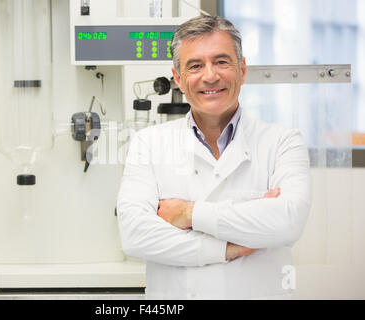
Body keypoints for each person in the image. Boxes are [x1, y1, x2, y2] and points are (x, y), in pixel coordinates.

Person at [116, 15, 311, 299]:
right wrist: (228, 247)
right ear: (179, 79)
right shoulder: (148, 143)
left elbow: (288, 222)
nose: (210, 76)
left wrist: (188, 213)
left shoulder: (283, 142)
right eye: (195, 65)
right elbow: (134, 236)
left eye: (222, 62)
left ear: (242, 70)